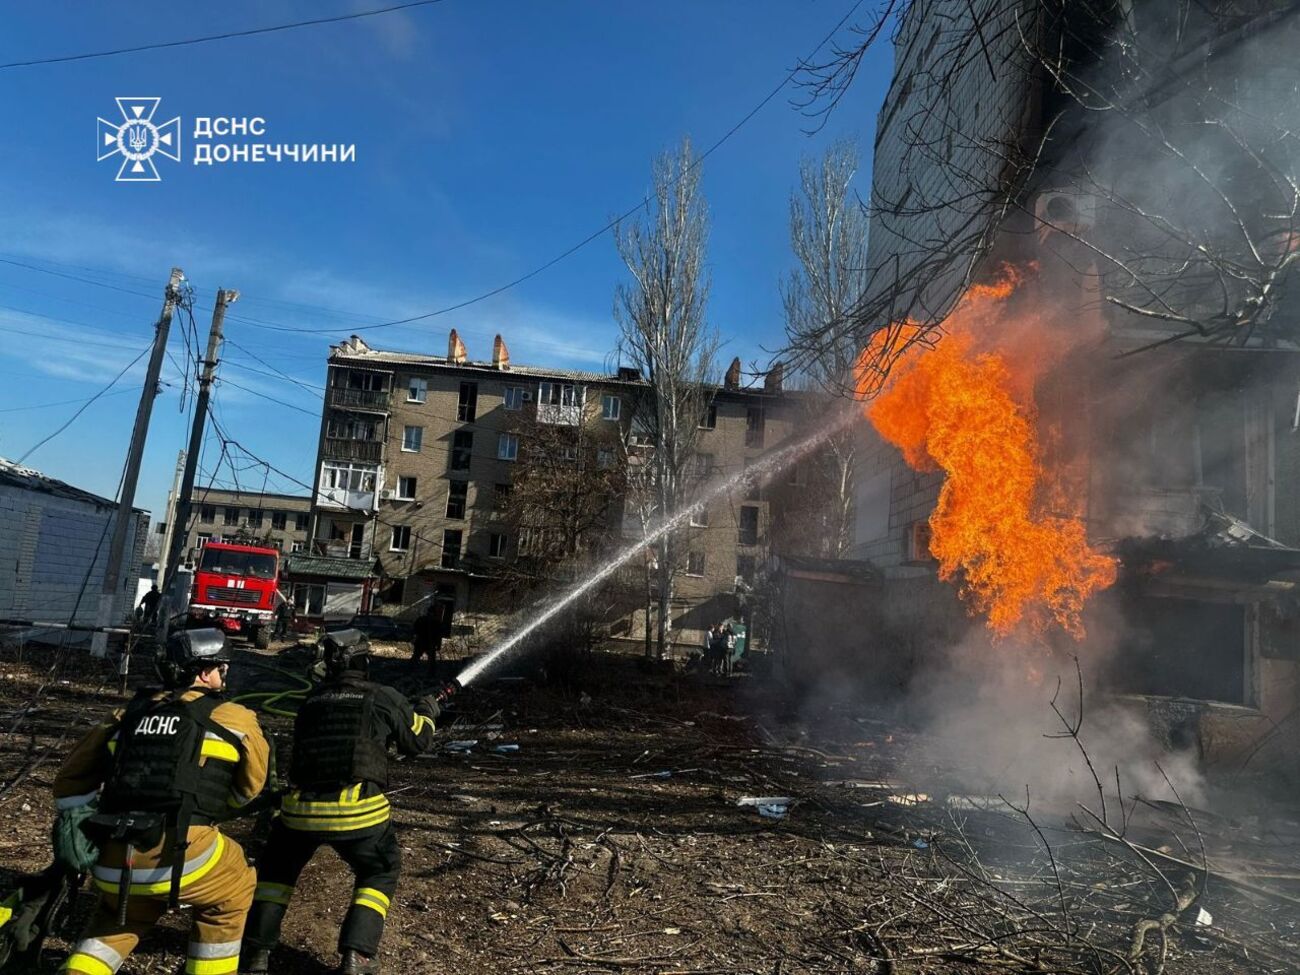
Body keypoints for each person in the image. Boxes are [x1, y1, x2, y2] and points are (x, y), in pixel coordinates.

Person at [54, 629, 270, 975]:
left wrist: (82, 833)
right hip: (183, 852)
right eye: (220, 668)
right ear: (203, 673)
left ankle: (79, 969)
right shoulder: (235, 717)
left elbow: (68, 783)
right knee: (235, 888)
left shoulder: (126, 716)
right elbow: (249, 790)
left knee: (119, 913)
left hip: (113, 858)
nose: (223, 675)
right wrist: (206, 809)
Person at [241, 629, 438, 975]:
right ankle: (358, 955)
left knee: (275, 874)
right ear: (360, 660)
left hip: (299, 811)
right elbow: (416, 742)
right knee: (380, 869)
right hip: (356, 812)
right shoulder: (381, 696)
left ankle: (256, 952)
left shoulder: (312, 701)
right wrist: (427, 712)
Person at [409, 603, 443, 674]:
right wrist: (438, 645)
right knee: (429, 660)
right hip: (428, 643)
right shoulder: (436, 622)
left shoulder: (422, 619)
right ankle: (430, 673)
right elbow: (438, 635)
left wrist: (413, 638)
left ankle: (411, 670)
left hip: (423, 642)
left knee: (417, 657)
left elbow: (414, 630)